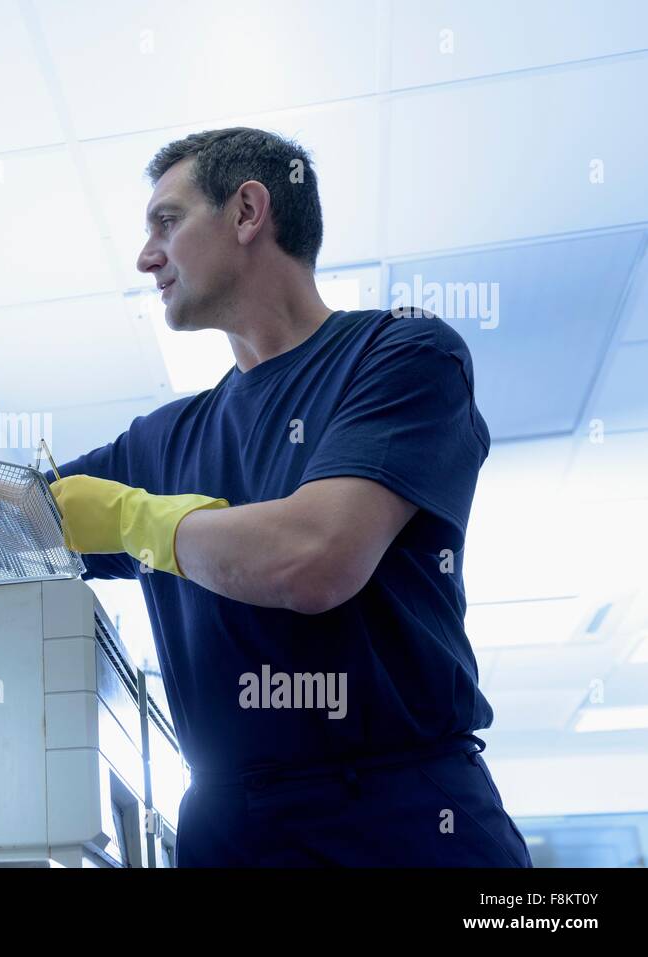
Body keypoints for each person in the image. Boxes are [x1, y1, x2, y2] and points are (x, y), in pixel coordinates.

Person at [42, 127, 531, 866]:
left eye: (166, 222)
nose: (146, 257)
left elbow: (315, 557)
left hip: (405, 821)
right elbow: (4, 518)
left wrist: (135, 518)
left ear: (247, 212)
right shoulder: (161, 441)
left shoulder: (402, 354)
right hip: (230, 831)